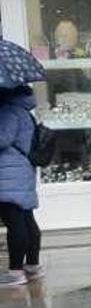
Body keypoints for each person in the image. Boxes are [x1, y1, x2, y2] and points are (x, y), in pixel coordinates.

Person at [0, 87, 42, 286]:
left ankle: (16, 272)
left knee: (14, 221)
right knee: (26, 218)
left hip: (8, 172)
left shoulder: (9, 111)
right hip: (22, 170)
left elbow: (3, 139)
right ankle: (32, 266)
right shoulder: (24, 112)